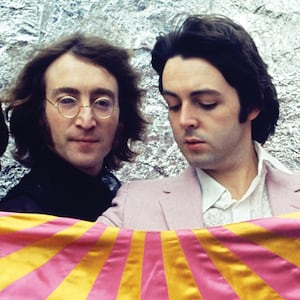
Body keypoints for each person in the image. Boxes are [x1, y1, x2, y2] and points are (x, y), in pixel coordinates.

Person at [98, 14, 300, 230]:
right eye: (173, 105)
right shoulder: (133, 207)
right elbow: (71, 256)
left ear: (251, 105)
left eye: (206, 103)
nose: (184, 120)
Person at [0, 33, 146, 221]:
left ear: (121, 120)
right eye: (67, 101)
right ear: (39, 116)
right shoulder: (20, 220)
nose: (86, 121)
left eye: (102, 103)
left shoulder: (121, 200)